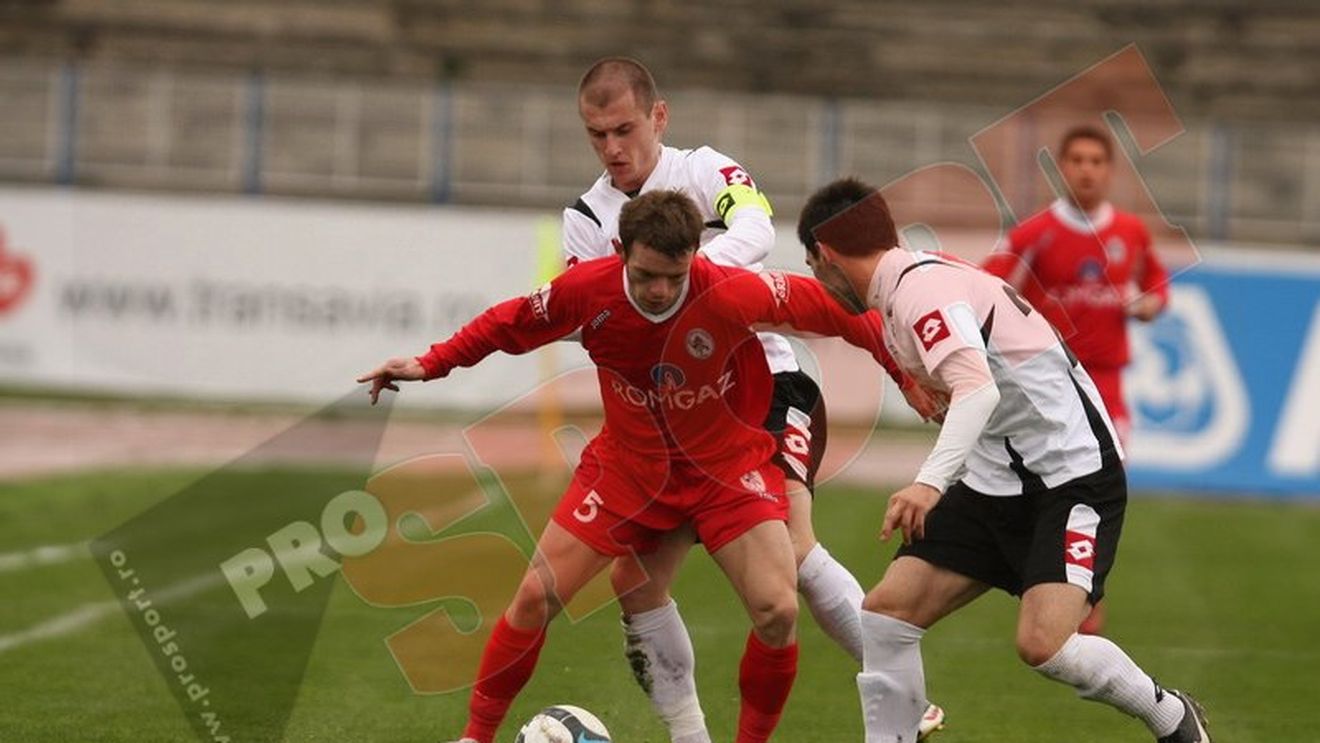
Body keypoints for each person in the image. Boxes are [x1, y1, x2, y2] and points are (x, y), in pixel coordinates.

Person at [359, 190, 905, 743]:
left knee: (777, 609)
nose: (662, 290)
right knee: (533, 597)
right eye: (646, 275)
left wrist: (909, 377)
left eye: (676, 274)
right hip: (629, 470)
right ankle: (475, 738)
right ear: (621, 251)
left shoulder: (731, 291)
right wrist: (431, 363)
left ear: (696, 253)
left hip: (725, 470)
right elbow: (509, 323)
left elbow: (842, 313)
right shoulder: (586, 291)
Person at [562, 56, 945, 743]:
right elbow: (593, 313)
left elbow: (761, 232)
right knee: (635, 580)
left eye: (624, 129)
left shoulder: (709, 170)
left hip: (770, 383)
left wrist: (689, 281)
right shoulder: (587, 217)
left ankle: (907, 701)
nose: (613, 149)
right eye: (597, 136)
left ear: (659, 117)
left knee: (791, 548)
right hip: (677, 418)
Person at [795, 178, 1213, 743]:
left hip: (1073, 477)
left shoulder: (920, 294)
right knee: (886, 614)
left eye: (813, 265)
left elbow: (979, 390)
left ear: (824, 255)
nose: (819, 279)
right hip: (997, 480)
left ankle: (1170, 716)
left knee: (1043, 645)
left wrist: (927, 484)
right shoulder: (909, 283)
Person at [981, 125, 1170, 634]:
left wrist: (1147, 305)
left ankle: (1087, 594)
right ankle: (1056, 587)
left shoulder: (1131, 232)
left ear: (1110, 170)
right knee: (1047, 488)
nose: (1086, 169)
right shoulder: (1033, 233)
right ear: (1061, 168)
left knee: (1102, 488)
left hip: (1107, 386)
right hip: (1048, 386)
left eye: (1096, 161)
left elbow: (1155, 287)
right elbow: (990, 285)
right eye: (1077, 160)